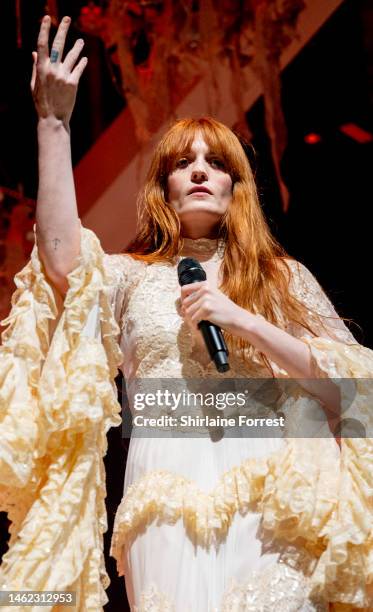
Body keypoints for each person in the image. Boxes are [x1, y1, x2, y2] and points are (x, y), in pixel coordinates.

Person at [0, 14, 372, 612]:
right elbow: (62, 259)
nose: (199, 169)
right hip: (164, 493)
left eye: (215, 161)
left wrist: (246, 320)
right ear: (164, 187)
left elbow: (357, 393)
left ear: (235, 186)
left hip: (277, 490)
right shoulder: (129, 276)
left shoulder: (282, 277)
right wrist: (52, 124)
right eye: (182, 161)